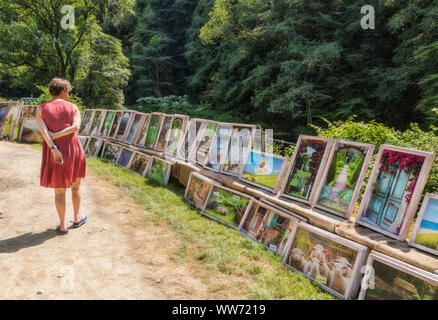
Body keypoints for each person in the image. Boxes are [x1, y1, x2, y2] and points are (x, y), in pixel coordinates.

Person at [36, 78, 87, 235]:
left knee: (59, 191)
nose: (69, 94)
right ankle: (77, 218)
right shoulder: (73, 107)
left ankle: (63, 226)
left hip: (54, 152)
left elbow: (44, 132)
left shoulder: (41, 108)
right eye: (68, 91)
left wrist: (53, 147)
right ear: (63, 91)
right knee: (76, 185)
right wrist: (60, 134)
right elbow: (76, 127)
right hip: (74, 150)